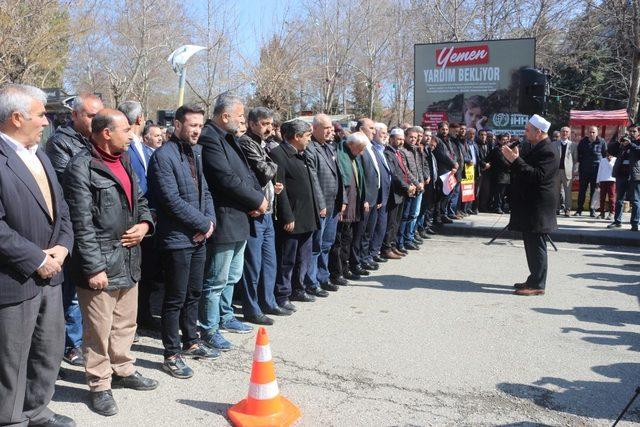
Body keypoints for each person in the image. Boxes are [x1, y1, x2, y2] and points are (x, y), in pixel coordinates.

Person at [63, 109, 158, 416]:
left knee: (125, 323)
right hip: (101, 262)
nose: (131, 135)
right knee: (98, 330)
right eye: (126, 130)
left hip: (129, 259)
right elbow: (81, 223)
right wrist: (93, 268)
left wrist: (144, 226)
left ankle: (123, 370)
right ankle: (100, 384)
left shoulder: (126, 160)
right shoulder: (81, 167)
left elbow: (141, 201)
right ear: (106, 133)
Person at [0, 84, 75, 427]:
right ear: (17, 118)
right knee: (12, 358)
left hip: (52, 273)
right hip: (16, 278)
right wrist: (37, 259)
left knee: (47, 349)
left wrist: (62, 246)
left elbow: (62, 211)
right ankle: (11, 419)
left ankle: (37, 411)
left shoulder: (39, 154)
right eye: (41, 114)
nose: (47, 121)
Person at [147, 104, 218, 379]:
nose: (197, 130)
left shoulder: (197, 153)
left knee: (194, 294)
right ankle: (171, 353)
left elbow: (206, 193)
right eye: (192, 125)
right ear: (176, 125)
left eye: (200, 125)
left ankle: (191, 340)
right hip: (176, 238)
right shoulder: (163, 157)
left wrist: (209, 224)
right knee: (175, 297)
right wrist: (202, 224)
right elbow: (170, 200)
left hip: (199, 237)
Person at [198, 94, 267, 351]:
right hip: (225, 217)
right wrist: (256, 201)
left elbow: (246, 175)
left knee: (232, 275)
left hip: (240, 216)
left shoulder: (229, 138)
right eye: (239, 116)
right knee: (216, 279)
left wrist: (255, 201)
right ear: (224, 116)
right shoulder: (210, 137)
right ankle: (209, 328)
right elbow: (225, 179)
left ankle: (226, 316)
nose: (242, 120)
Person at [45, 92, 103, 367]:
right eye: (91, 115)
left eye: (99, 115)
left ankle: (81, 339)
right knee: (68, 293)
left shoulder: (96, 140)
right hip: (70, 225)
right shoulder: (60, 142)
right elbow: (71, 183)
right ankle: (70, 344)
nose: (97, 120)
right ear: (75, 115)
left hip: (95, 225)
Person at [238, 107, 291, 324]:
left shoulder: (263, 144)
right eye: (264, 123)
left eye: (270, 124)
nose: (269, 128)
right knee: (253, 263)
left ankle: (268, 301)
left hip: (268, 211)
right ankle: (251, 308)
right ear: (251, 123)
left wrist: (273, 185)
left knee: (270, 261)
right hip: (254, 212)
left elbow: (269, 174)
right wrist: (271, 167)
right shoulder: (246, 143)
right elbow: (265, 170)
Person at [501, 114, 559, 296]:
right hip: (531, 204)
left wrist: (515, 160)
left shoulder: (548, 150)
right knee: (531, 243)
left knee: (537, 244)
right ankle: (534, 278)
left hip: (539, 205)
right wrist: (515, 159)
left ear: (538, 131)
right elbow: (526, 168)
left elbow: (537, 176)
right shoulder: (536, 147)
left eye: (527, 130)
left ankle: (538, 284)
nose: (525, 133)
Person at [118, 102, 159, 332]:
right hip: (130, 221)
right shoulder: (123, 148)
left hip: (148, 219)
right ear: (141, 118)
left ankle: (143, 314)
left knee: (147, 272)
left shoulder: (144, 148)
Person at [270, 120, 322, 304]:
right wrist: (287, 215)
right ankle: (283, 293)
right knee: (287, 259)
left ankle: (298, 288)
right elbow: (280, 188)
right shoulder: (278, 154)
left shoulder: (302, 154)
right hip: (292, 217)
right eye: (307, 136)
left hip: (307, 216)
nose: (309, 139)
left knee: (304, 257)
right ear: (297, 137)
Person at [304, 113, 345, 290]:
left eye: (331, 127)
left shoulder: (330, 147)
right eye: (327, 128)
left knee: (327, 244)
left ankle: (323, 276)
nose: (331, 131)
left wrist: (342, 199)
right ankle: (311, 281)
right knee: (316, 246)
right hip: (321, 206)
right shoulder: (310, 148)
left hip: (334, 204)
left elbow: (339, 175)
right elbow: (313, 179)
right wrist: (320, 204)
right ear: (315, 128)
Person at [329, 132, 368, 280]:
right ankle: (336, 272)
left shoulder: (354, 157)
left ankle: (345, 269)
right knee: (338, 241)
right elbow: (341, 182)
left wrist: (363, 199)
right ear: (351, 144)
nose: (362, 152)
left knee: (347, 239)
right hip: (343, 206)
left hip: (353, 205)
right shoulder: (340, 154)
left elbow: (359, 180)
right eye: (360, 148)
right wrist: (342, 203)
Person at [350, 118, 380, 275]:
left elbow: (375, 173)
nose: (374, 131)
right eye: (371, 128)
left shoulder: (372, 147)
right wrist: (364, 198)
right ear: (361, 129)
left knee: (368, 231)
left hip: (374, 198)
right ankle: (356, 262)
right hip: (365, 199)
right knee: (359, 233)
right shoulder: (358, 147)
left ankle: (365, 257)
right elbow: (359, 177)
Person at [381, 129, 415, 259]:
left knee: (397, 222)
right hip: (394, 193)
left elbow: (405, 171)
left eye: (402, 139)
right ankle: (386, 248)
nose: (400, 142)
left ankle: (393, 245)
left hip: (402, 192)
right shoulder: (388, 153)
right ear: (391, 139)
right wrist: (406, 186)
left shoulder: (398, 153)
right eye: (398, 139)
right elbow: (394, 174)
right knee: (391, 223)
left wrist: (412, 185)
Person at [369, 122, 394, 263]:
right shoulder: (372, 149)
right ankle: (370, 254)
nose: (385, 135)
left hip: (386, 194)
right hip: (377, 195)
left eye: (386, 133)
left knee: (381, 225)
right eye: (382, 133)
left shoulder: (382, 149)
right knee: (374, 226)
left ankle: (374, 252)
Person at [607, 129, 640, 231]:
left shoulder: (637, 143)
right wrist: (618, 141)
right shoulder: (623, 144)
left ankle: (634, 223)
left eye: (634, 131)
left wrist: (631, 144)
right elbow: (610, 150)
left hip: (634, 175)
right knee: (619, 200)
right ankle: (617, 222)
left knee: (635, 201)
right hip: (621, 175)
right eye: (630, 131)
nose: (631, 133)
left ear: (638, 133)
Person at [575, 126, 607, 217]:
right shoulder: (583, 142)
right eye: (590, 132)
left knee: (594, 191)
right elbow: (578, 154)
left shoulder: (602, 141)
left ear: (597, 133)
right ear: (587, 133)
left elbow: (605, 155)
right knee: (582, 190)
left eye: (593, 132)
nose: (591, 134)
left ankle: (592, 210)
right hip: (584, 170)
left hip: (596, 171)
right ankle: (579, 209)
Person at [486, 133, 511, 214]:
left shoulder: (507, 149)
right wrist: (514, 164)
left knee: (503, 193)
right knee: (499, 193)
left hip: (506, 175)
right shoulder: (497, 150)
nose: (505, 141)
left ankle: (501, 207)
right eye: (503, 140)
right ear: (499, 140)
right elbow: (503, 162)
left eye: (506, 140)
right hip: (499, 176)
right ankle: (497, 208)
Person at [554, 126, 575, 217]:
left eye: (567, 131)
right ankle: (556, 209)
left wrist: (574, 171)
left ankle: (568, 209)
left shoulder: (573, 145)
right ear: (560, 133)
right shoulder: (554, 144)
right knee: (556, 191)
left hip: (568, 172)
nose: (565, 133)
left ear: (569, 133)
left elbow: (575, 159)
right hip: (556, 171)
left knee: (568, 192)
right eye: (563, 131)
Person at [596, 152, 616, 220]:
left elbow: (614, 169)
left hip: (611, 180)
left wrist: (610, 161)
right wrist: (597, 181)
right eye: (607, 153)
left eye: (610, 153)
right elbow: (600, 170)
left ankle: (612, 212)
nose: (609, 154)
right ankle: (602, 213)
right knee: (602, 197)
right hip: (603, 180)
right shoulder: (602, 160)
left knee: (611, 197)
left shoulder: (615, 159)